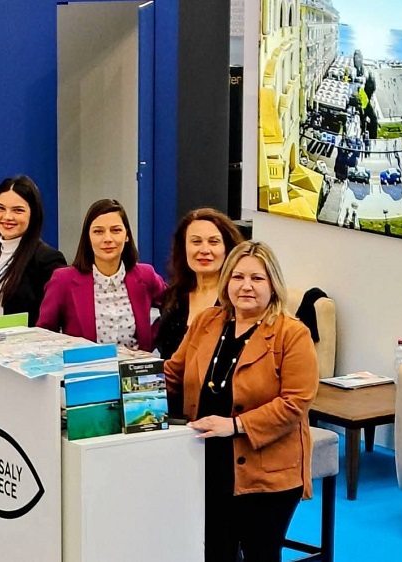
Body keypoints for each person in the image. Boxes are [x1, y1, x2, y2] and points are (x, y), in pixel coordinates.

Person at [163, 240, 318, 562]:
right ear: (226, 281)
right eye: (238, 277)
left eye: (257, 278)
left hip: (266, 472)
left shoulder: (292, 333)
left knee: (260, 553)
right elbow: (173, 375)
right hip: (206, 460)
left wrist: (235, 425)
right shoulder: (207, 321)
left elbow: (295, 402)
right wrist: (132, 390)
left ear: (273, 285)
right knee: (214, 551)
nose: (246, 286)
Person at [37, 199, 166, 352]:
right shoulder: (63, 280)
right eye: (98, 231)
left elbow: (175, 305)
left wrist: (154, 336)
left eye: (116, 230)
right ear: (88, 237)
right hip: (86, 366)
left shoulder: (146, 275)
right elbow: (44, 335)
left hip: (137, 366)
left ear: (127, 235)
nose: (108, 239)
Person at [0, 176, 65, 324]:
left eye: (18, 210)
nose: (7, 217)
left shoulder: (47, 260)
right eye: (1, 208)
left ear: (33, 214)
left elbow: (52, 321)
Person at [156, 208, 243, 362]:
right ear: (183, 248)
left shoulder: (238, 300)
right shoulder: (173, 297)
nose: (204, 250)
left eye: (214, 242)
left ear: (227, 248)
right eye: (196, 242)